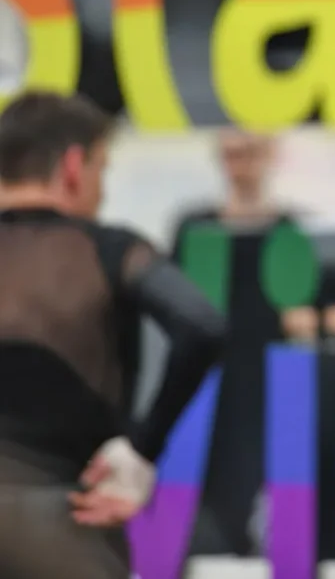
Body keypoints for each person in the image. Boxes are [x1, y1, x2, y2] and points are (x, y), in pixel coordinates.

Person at [0, 91, 225, 577]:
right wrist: (142, 450)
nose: (101, 192)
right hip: (67, 528)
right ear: (74, 167)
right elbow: (200, 325)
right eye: (103, 169)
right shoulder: (108, 252)